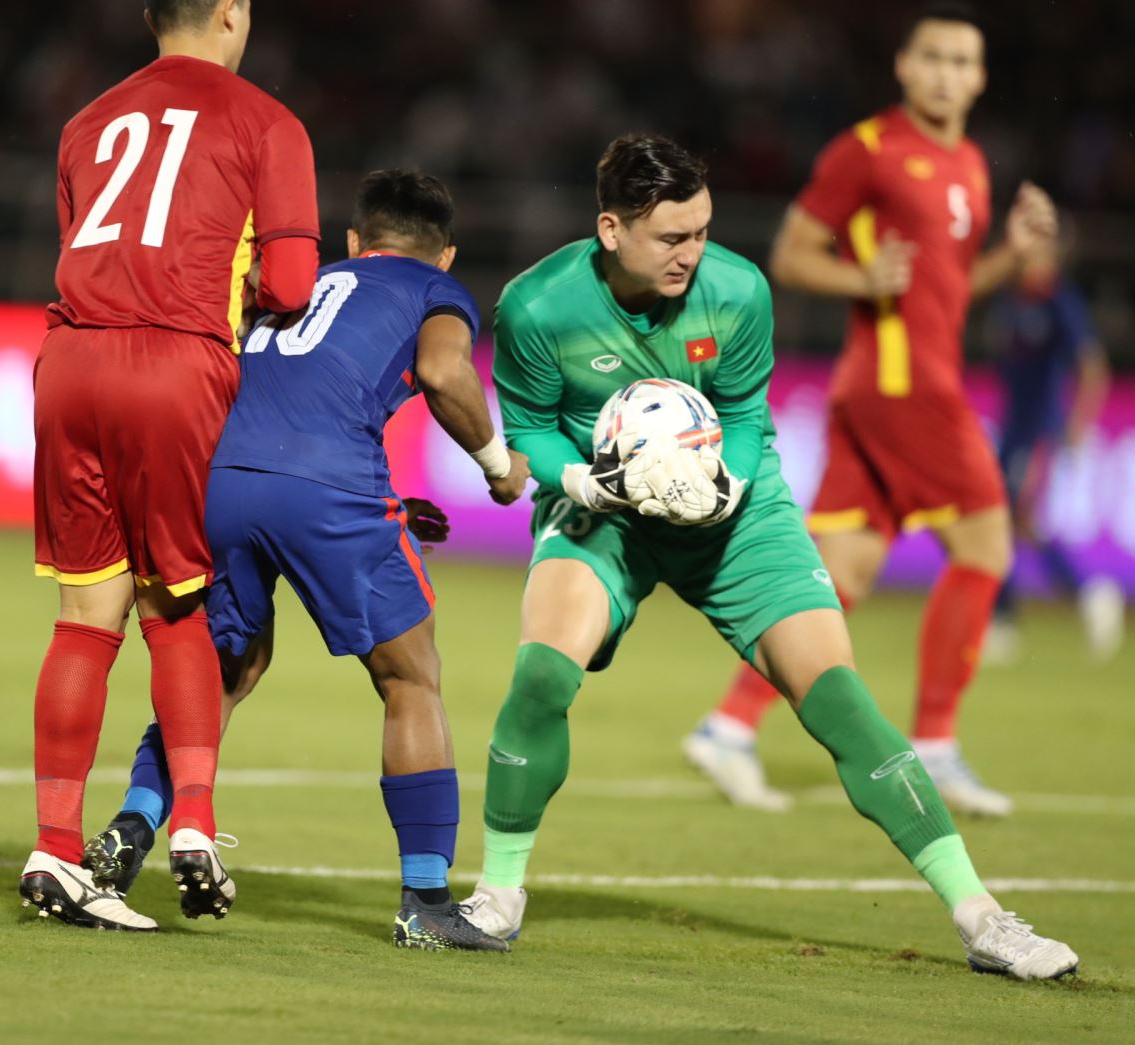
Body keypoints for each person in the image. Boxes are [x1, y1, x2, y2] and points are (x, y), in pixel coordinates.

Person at [456, 132, 1078, 981]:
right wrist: (584, 482)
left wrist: (724, 487)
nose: (692, 253)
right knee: (541, 676)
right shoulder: (536, 307)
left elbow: (746, 415)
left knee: (841, 704)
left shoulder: (739, 291)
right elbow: (526, 423)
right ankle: (496, 899)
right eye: (671, 237)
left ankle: (983, 919)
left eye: (702, 231)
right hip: (607, 510)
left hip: (736, 517)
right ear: (611, 229)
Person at [83, 169, 530, 950]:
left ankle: (132, 826)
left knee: (223, 668)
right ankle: (425, 903)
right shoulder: (434, 291)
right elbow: (443, 372)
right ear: (447, 255)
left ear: (355, 242)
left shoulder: (303, 281)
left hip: (220, 477)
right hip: (328, 490)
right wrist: (498, 465)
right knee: (410, 676)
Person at [686, 3, 1058, 817]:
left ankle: (729, 726)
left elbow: (948, 292)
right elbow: (790, 254)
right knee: (987, 545)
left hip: (905, 383)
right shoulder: (869, 150)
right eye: (933, 58)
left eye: (963, 62)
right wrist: (861, 280)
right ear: (903, 65)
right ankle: (934, 741)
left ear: (981, 78)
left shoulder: (970, 165)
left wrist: (1014, 259)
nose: (946, 74)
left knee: (841, 574)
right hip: (901, 386)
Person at [20, 0, 319, 933]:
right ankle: (193, 819)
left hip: (69, 360)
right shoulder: (268, 122)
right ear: (232, 13)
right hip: (175, 364)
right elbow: (292, 286)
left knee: (82, 619)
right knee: (178, 607)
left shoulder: (85, 120)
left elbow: (87, 243)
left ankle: (55, 849)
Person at [983, 235, 1123, 663]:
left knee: (1007, 518)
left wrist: (1079, 423)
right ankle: (1090, 595)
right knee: (1018, 522)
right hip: (1012, 429)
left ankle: (1004, 620)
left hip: (1039, 432)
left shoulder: (1061, 302)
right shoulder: (1009, 302)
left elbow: (1093, 364)